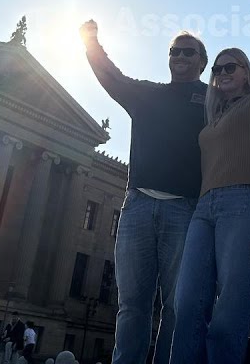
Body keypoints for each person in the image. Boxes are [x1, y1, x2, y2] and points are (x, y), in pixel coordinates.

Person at [170, 1, 250, 364]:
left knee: (230, 310)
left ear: (244, 72)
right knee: (187, 303)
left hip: (243, 206)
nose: (222, 72)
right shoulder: (210, 119)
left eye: (230, 66)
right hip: (203, 210)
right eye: (217, 68)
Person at [81, 22, 210, 364]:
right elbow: (111, 77)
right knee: (132, 303)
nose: (180, 56)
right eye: (174, 51)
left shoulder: (213, 99)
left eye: (188, 51)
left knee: (177, 304)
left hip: (184, 210)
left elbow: (242, 124)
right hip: (137, 206)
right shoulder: (147, 94)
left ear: (202, 61)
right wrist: (91, 41)